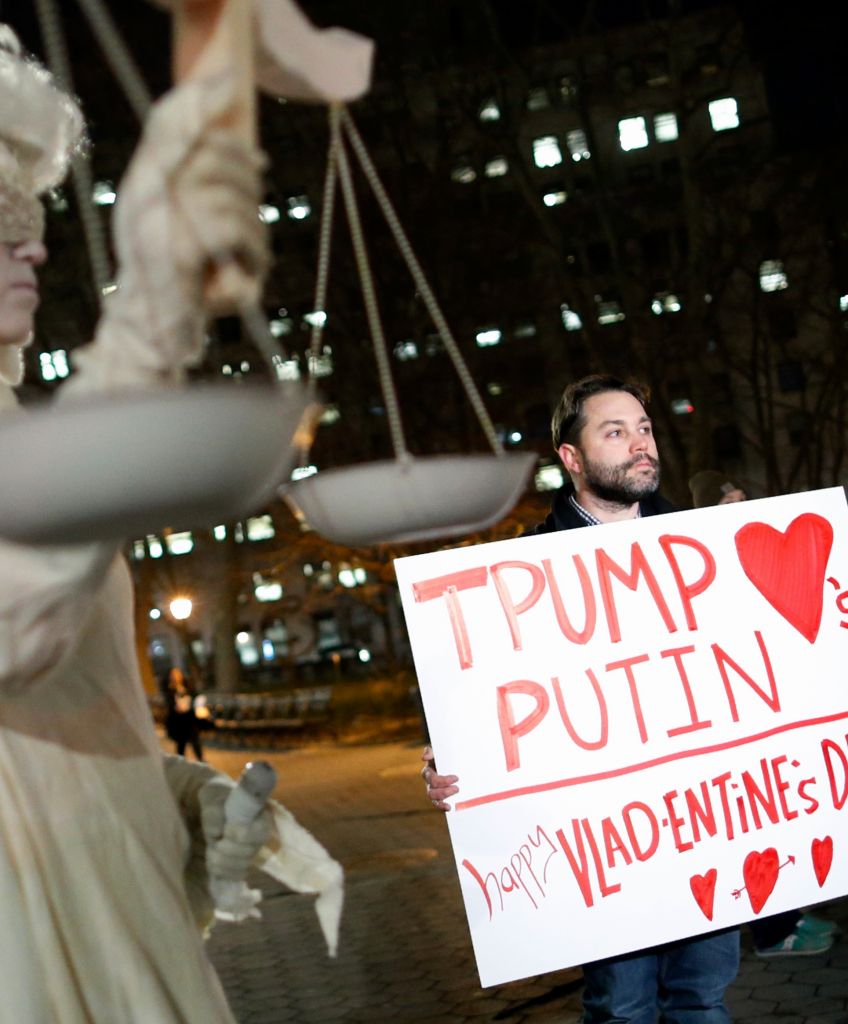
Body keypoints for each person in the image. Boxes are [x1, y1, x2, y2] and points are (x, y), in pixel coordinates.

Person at [0, 27, 343, 1022]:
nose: (33, 242)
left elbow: (76, 732)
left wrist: (191, 804)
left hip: (122, 924)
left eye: (32, 216)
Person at [424, 374, 740, 1023]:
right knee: (623, 1010)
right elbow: (489, 705)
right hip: (604, 847)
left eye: (644, 429)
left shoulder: (709, 547)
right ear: (572, 458)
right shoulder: (519, 576)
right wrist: (455, 764)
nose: (640, 445)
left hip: (707, 825)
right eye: (615, 432)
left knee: (701, 1001)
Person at [688, 470, 838, 959]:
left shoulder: (760, 551)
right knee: (755, 827)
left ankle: (789, 914)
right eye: (725, 499)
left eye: (740, 497)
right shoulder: (701, 563)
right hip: (733, 719)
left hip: (771, 708)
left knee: (784, 819)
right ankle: (773, 930)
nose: (737, 503)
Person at [163, 666, 206, 761]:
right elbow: (169, 703)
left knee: (195, 741)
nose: (176, 677)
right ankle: (181, 762)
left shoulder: (187, 686)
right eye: (173, 675)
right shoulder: (169, 689)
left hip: (189, 719)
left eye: (177, 674)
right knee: (181, 744)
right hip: (178, 721)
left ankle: (201, 760)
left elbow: (195, 696)